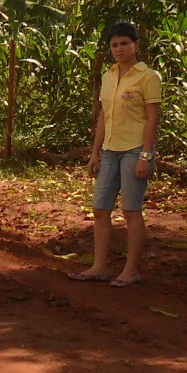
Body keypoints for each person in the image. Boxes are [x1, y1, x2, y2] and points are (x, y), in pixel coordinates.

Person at [72, 20, 161, 286]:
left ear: (136, 45)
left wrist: (146, 156)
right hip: (109, 150)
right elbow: (103, 117)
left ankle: (130, 270)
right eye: (114, 45)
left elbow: (152, 119)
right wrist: (95, 152)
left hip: (135, 150)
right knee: (100, 208)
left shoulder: (148, 77)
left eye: (124, 43)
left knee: (131, 210)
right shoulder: (109, 75)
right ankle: (99, 267)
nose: (119, 49)